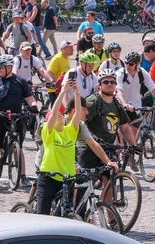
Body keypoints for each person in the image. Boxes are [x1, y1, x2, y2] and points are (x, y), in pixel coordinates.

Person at [36, 82, 119, 214]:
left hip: (66, 179)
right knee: (42, 217)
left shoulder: (70, 131)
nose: (60, 115)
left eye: (62, 114)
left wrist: (77, 93)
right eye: (57, 115)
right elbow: (54, 112)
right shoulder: (49, 133)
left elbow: (78, 113)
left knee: (66, 215)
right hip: (48, 178)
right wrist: (63, 91)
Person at [0, 54, 39, 186]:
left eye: (1, 67)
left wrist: (34, 106)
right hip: (0, 117)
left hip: (17, 117)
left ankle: (22, 176)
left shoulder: (20, 82)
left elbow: (29, 98)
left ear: (9, 68)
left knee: (18, 147)